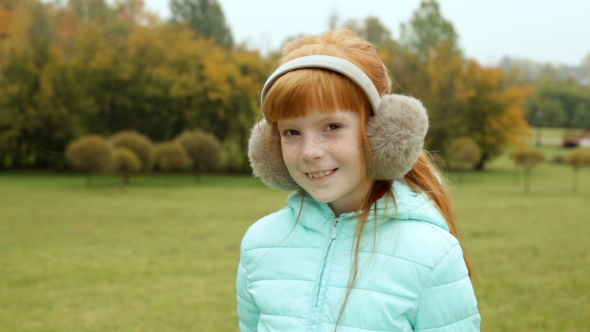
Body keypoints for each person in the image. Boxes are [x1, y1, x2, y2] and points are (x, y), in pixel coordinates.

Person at [237, 29, 480, 332]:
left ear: (383, 132)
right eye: (292, 132)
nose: (310, 152)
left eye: (332, 126)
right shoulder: (259, 244)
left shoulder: (431, 253)